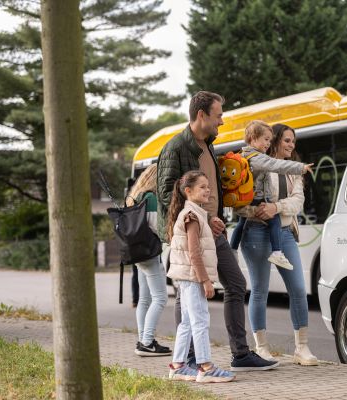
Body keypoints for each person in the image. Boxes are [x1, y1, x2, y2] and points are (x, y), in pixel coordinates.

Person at [156, 91, 277, 371]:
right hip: (191, 233)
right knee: (188, 293)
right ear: (202, 115)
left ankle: (241, 354)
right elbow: (166, 194)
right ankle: (186, 359)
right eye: (218, 115)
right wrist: (202, 217)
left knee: (236, 284)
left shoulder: (209, 145)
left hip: (214, 229)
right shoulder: (176, 148)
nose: (222, 121)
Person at [237, 123, 319, 366]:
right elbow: (241, 203)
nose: (291, 145)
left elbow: (297, 203)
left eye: (293, 141)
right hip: (255, 232)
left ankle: (302, 348)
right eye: (286, 140)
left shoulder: (293, 171)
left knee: (298, 289)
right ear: (273, 142)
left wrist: (276, 207)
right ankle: (261, 348)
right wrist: (256, 210)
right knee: (260, 289)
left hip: (284, 232)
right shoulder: (258, 164)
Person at [166, 171, 235, 383]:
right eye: (202, 187)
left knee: (187, 322)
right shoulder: (192, 216)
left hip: (188, 277)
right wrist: (205, 280)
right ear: (188, 191)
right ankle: (205, 367)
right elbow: (194, 253)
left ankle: (178, 366)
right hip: (193, 277)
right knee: (200, 320)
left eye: (208, 186)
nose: (208, 190)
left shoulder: (195, 214)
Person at [229, 120, 312, 270]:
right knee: (274, 220)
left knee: (240, 223)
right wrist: (301, 167)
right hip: (256, 200)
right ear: (253, 139)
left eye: (269, 140)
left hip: (246, 198)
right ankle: (276, 252)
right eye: (266, 139)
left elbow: (298, 200)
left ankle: (232, 250)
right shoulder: (259, 157)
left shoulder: (243, 155)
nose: (268, 143)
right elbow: (276, 165)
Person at [125, 163, 171, 356]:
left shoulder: (134, 197)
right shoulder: (151, 198)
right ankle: (147, 342)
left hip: (138, 253)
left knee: (144, 299)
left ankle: (144, 339)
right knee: (160, 298)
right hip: (150, 253)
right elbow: (155, 227)